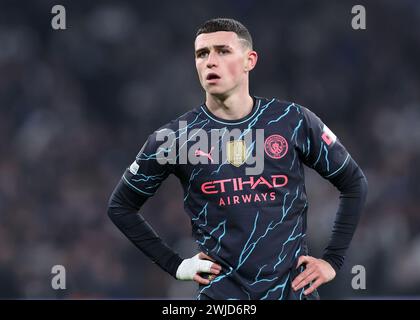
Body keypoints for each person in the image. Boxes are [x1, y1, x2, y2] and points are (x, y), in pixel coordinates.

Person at [108, 18, 368, 300]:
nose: (210, 61)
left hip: (291, 294)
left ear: (249, 60)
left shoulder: (292, 121)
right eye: (202, 54)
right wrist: (176, 265)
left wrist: (333, 261)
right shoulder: (174, 137)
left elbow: (353, 182)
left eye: (223, 51)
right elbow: (121, 207)